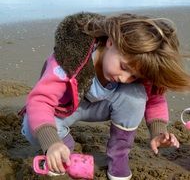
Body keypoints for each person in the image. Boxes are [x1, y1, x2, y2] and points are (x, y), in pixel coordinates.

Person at [20, 12, 190, 179]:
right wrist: (52, 143)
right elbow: (40, 101)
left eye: (134, 76)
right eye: (123, 67)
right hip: (63, 109)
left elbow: (154, 98)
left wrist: (158, 132)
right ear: (111, 42)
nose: (124, 78)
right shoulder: (68, 60)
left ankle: (119, 158)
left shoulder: (135, 67)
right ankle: (63, 148)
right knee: (32, 127)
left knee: (136, 95)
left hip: (103, 106)